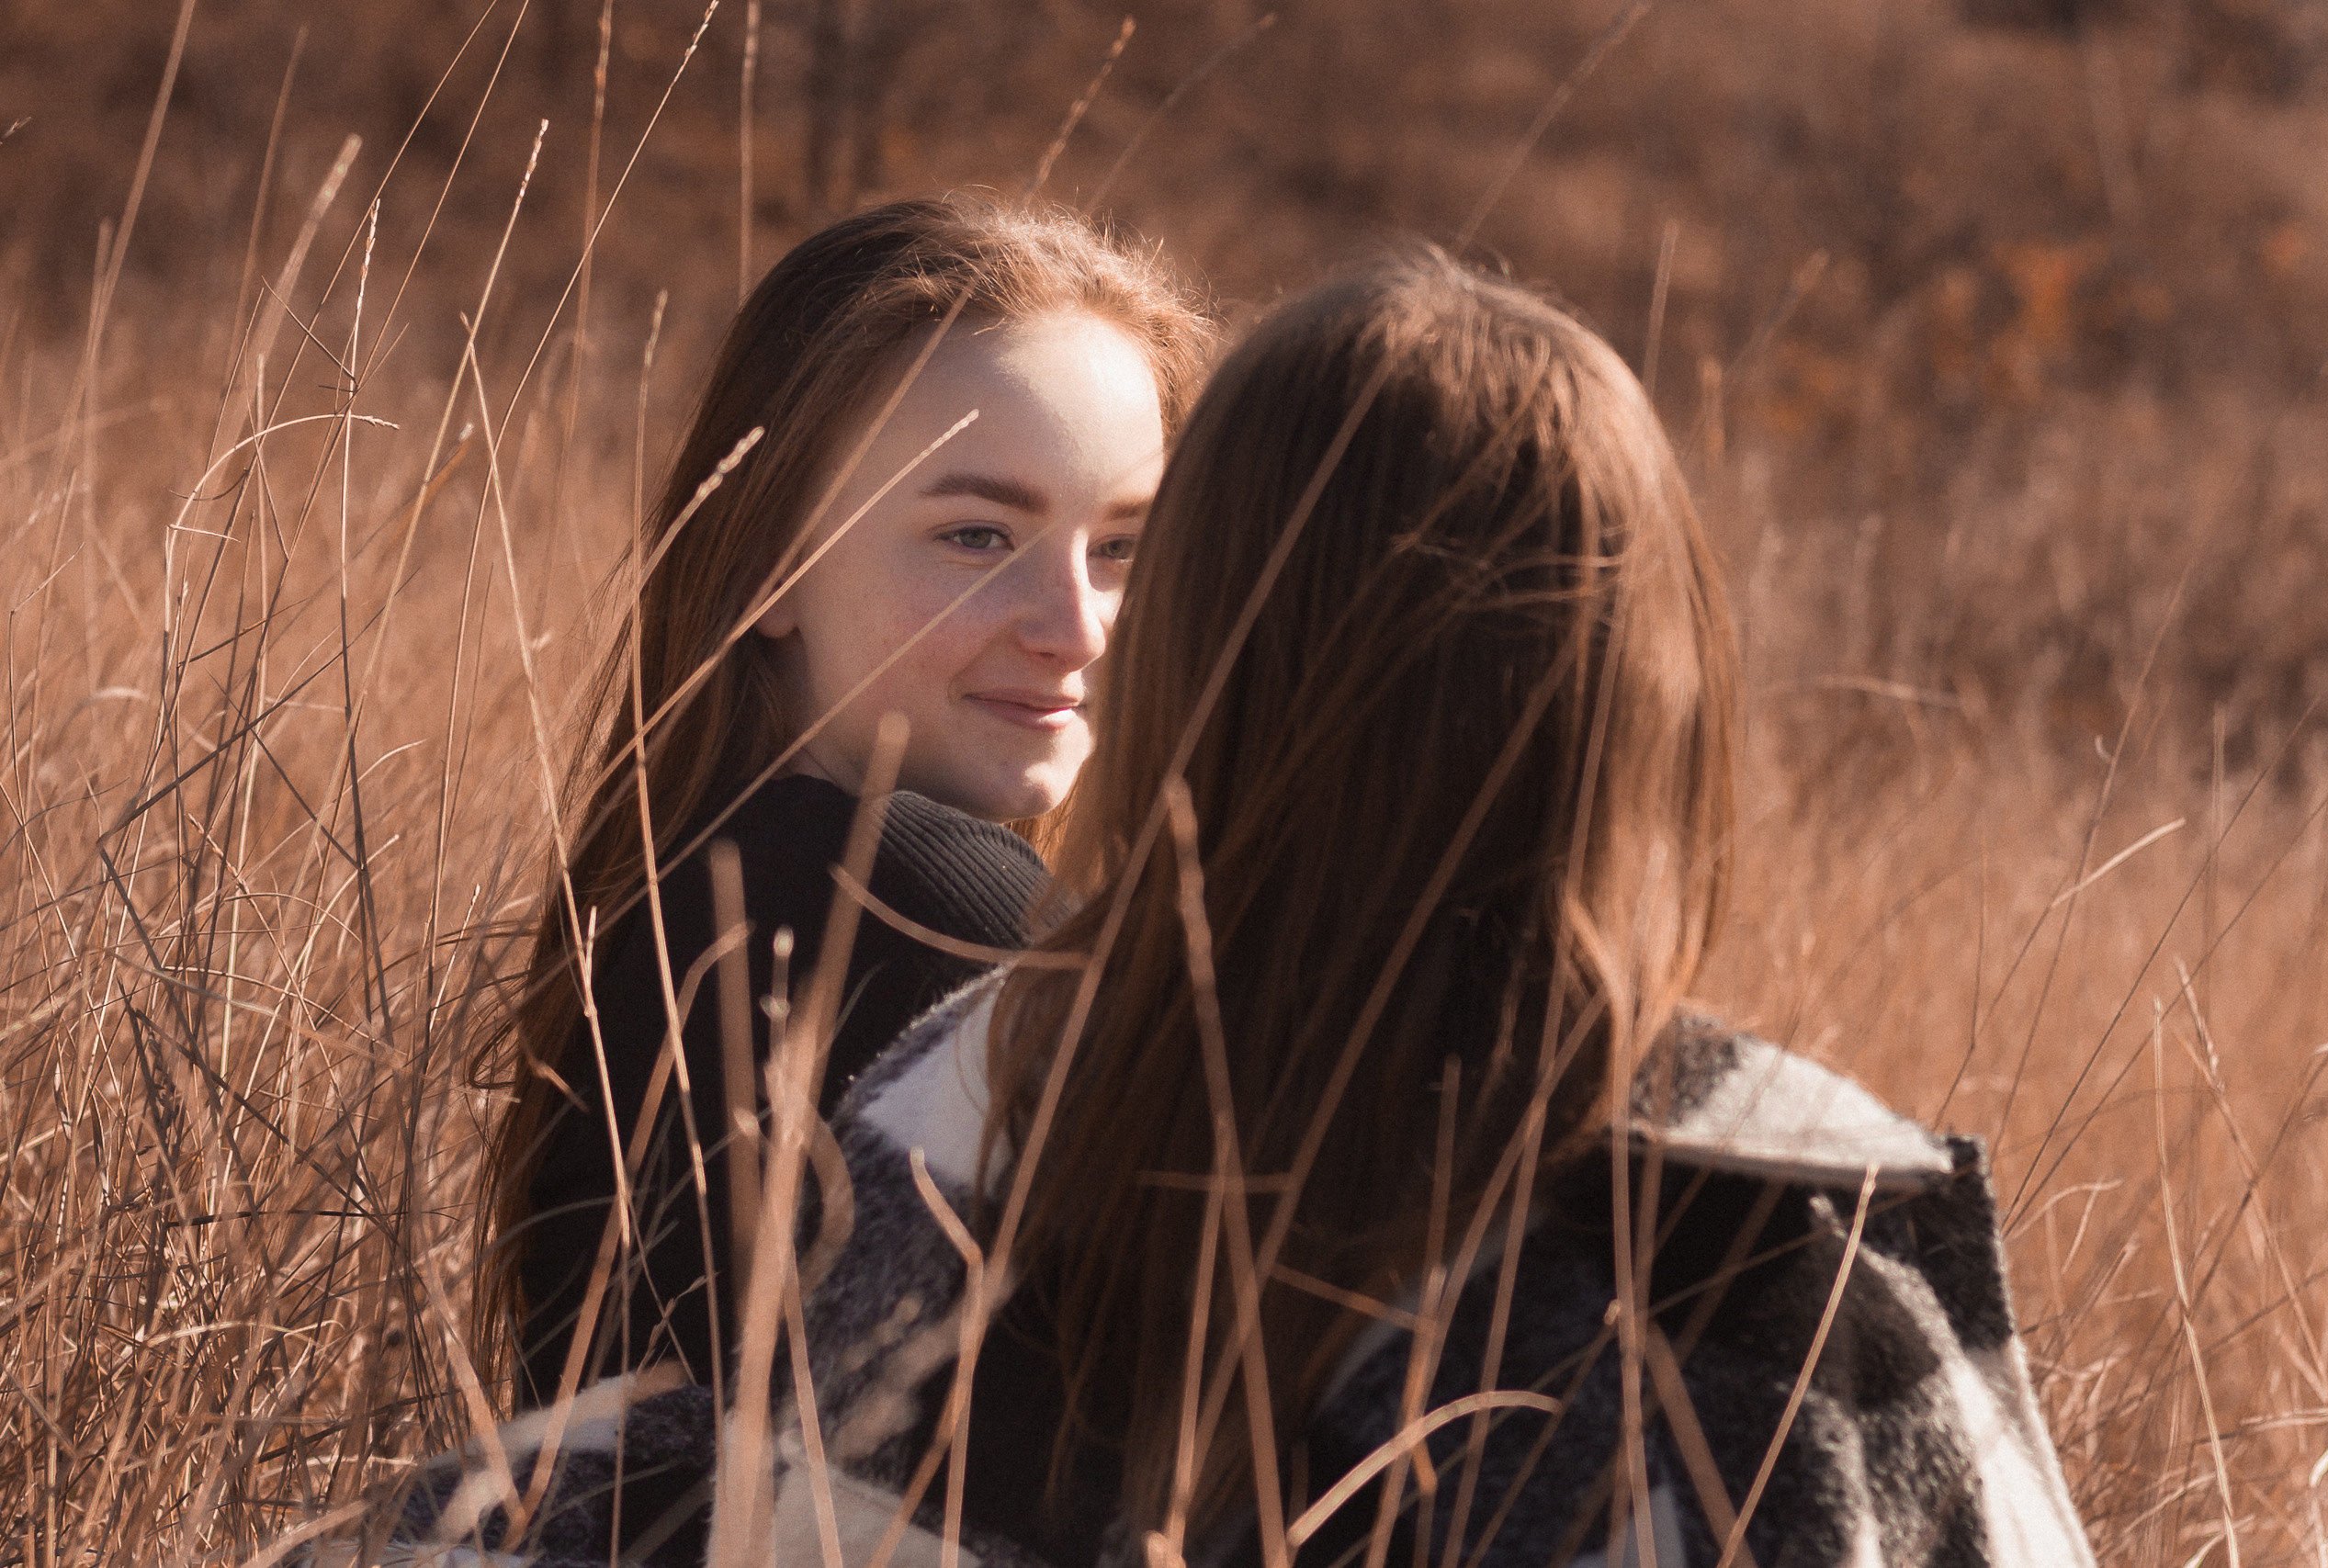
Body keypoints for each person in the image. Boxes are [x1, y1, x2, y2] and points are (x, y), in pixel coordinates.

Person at [784, 249, 2096, 1567]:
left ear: (1192, 653)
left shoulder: (961, 1108)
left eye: (1129, 553)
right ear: (1651, 696)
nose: (1074, 629)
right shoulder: (1760, 1265)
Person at [470, 192, 1213, 1413]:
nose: (1077, 627)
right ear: (770, 564)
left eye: (1125, 547)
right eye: (977, 535)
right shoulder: (912, 897)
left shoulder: (691, 886)